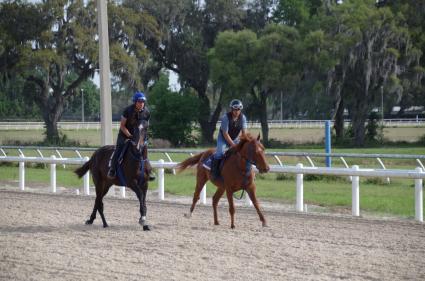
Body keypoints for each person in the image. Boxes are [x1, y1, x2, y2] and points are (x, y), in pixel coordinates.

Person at [107, 91, 155, 181]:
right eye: (139, 102)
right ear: (135, 102)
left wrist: (143, 136)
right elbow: (122, 126)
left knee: (144, 150)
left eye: (143, 102)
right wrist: (129, 135)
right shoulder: (127, 110)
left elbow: (146, 125)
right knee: (119, 149)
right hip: (125, 134)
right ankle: (112, 169)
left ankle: (149, 171)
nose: (141, 104)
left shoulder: (147, 112)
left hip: (139, 135)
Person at [210, 99, 247, 180]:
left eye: (238, 109)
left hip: (236, 138)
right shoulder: (225, 117)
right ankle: (215, 173)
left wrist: (244, 143)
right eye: (235, 109)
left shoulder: (243, 118)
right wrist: (233, 145)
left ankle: (246, 173)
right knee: (220, 152)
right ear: (231, 109)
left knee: (244, 152)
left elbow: (244, 133)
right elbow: (225, 134)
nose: (237, 111)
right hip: (223, 138)